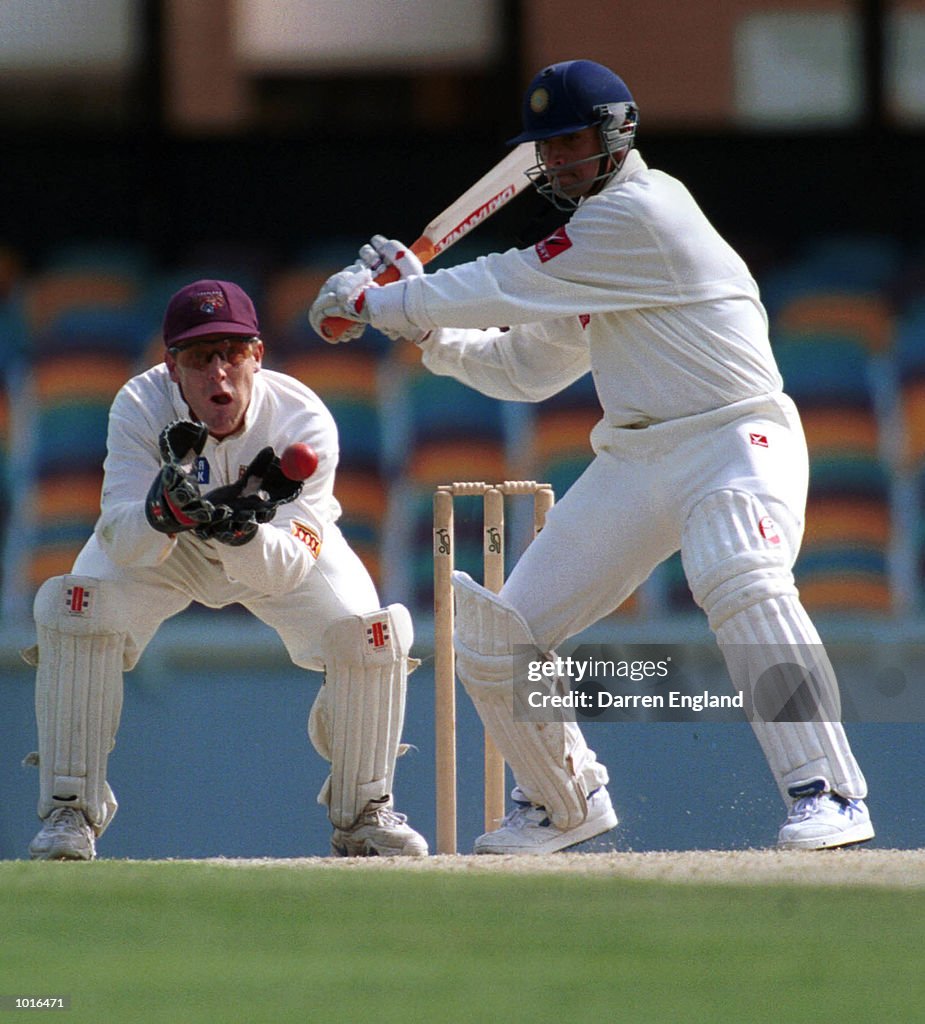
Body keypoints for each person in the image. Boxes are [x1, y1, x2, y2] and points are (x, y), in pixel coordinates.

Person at [308, 59, 875, 855]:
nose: (554, 161)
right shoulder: (593, 257)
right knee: (498, 634)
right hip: (639, 460)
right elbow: (523, 367)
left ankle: (830, 792)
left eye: (569, 141)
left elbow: (507, 280)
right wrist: (421, 326)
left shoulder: (642, 213)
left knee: (737, 574)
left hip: (733, 441)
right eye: (544, 147)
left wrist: (378, 301)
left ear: (617, 135)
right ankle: (561, 802)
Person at [26, 279, 427, 860]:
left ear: (257, 357)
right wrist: (162, 514)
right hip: (169, 548)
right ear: (172, 367)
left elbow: (285, 570)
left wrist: (236, 529)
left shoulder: (302, 420)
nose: (219, 374)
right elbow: (120, 535)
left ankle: (364, 813)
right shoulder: (139, 406)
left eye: (233, 354)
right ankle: (70, 813)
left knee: (372, 634)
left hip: (266, 547)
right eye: (200, 357)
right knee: (73, 609)